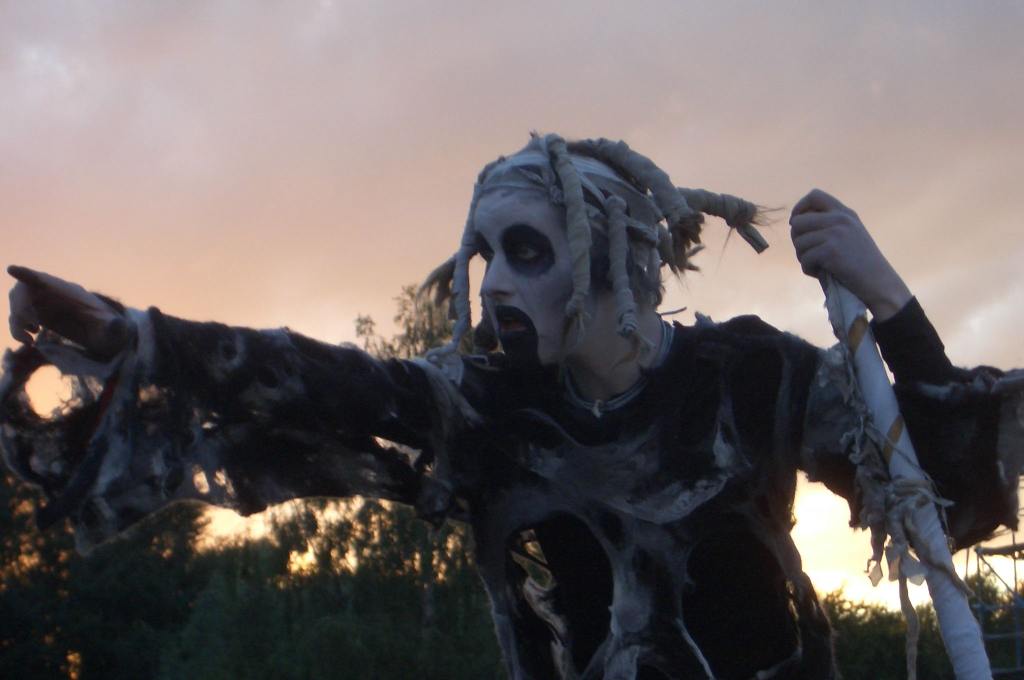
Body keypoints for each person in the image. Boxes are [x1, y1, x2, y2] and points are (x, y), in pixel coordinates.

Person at [3, 133, 1022, 679]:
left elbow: (937, 488)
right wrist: (136, 336)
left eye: (527, 251)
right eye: (486, 255)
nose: (492, 286)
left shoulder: (751, 377)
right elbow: (325, 381)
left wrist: (890, 301)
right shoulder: (485, 412)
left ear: (611, 254)